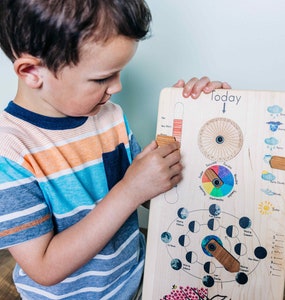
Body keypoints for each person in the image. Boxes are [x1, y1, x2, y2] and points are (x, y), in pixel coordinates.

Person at [0, 0, 231, 299]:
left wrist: (194, 123)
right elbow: (45, 268)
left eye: (119, 72)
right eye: (102, 78)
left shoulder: (108, 116)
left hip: (135, 277)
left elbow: (152, 191)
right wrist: (130, 190)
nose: (118, 87)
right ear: (32, 71)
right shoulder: (10, 152)